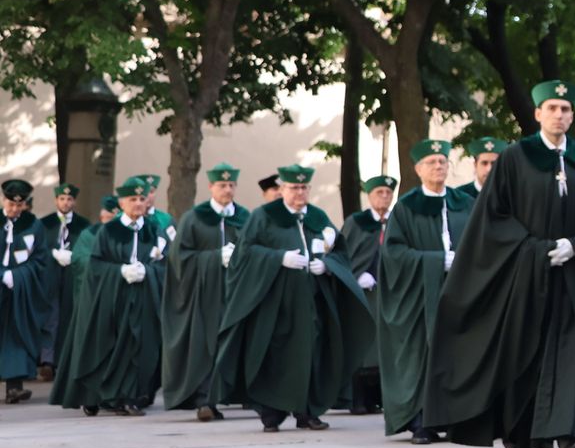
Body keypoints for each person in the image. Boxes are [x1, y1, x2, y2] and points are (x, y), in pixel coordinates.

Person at [425, 79, 575, 448]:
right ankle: (519, 436)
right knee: (525, 351)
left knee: (571, 350)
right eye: (552, 108)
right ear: (538, 113)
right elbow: (493, 217)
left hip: (572, 275)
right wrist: (536, 250)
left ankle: (569, 435)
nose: (559, 115)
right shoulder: (514, 158)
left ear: (572, 116)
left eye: (565, 109)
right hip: (526, 276)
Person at [212, 164, 373, 433]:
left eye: (304, 187)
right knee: (274, 354)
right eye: (294, 187)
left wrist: (327, 265)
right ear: (283, 189)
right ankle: (272, 413)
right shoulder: (264, 216)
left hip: (311, 301)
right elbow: (245, 252)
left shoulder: (318, 217)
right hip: (275, 301)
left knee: (311, 353)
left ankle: (307, 412)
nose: (299, 193)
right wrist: (278, 258)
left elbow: (339, 249)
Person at [377, 140, 473, 443]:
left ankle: (457, 417)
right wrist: (435, 261)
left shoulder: (464, 202)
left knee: (458, 353)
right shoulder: (406, 207)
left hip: (459, 291)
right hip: (419, 294)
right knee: (421, 354)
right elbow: (393, 253)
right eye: (431, 162)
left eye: (443, 161)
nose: (438, 166)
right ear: (418, 170)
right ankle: (421, 420)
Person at [49, 178, 165, 416]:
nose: (138, 203)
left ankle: (128, 397)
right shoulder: (109, 231)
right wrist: (120, 271)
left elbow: (163, 263)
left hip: (140, 298)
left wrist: (149, 271)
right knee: (107, 346)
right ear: (122, 203)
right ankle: (100, 396)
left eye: (142, 199)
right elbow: (95, 265)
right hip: (112, 298)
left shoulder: (152, 230)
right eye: (132, 199)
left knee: (136, 347)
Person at [161, 163, 250, 421]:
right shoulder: (194, 218)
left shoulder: (244, 218)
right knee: (203, 344)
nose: (227, 190)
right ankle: (204, 399)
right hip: (202, 294)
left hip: (235, 292)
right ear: (211, 186)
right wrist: (214, 258)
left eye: (231, 185)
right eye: (222, 185)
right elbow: (180, 258)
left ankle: (230, 394)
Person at [340, 174, 395, 416]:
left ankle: (381, 398)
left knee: (385, 347)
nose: (384, 197)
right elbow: (344, 254)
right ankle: (358, 399)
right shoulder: (357, 222)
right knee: (364, 345)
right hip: (363, 294)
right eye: (379, 192)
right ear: (369, 196)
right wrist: (357, 274)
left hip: (389, 293)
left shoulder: (396, 221)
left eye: (388, 193)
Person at [3, 180, 53, 404]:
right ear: (3, 200)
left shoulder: (33, 225)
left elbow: (40, 258)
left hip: (20, 289)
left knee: (17, 333)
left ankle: (14, 387)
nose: (15, 209)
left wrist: (18, 275)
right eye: (11, 204)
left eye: (19, 205)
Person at [37, 183, 88, 383]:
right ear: (56, 200)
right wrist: (52, 253)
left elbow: (85, 248)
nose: (66, 202)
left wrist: (73, 256)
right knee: (50, 316)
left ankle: (63, 360)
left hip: (71, 275)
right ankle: (47, 360)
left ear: (74, 201)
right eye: (62, 199)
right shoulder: (45, 223)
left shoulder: (82, 225)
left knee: (68, 315)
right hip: (50, 275)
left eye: (69, 199)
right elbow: (38, 248)